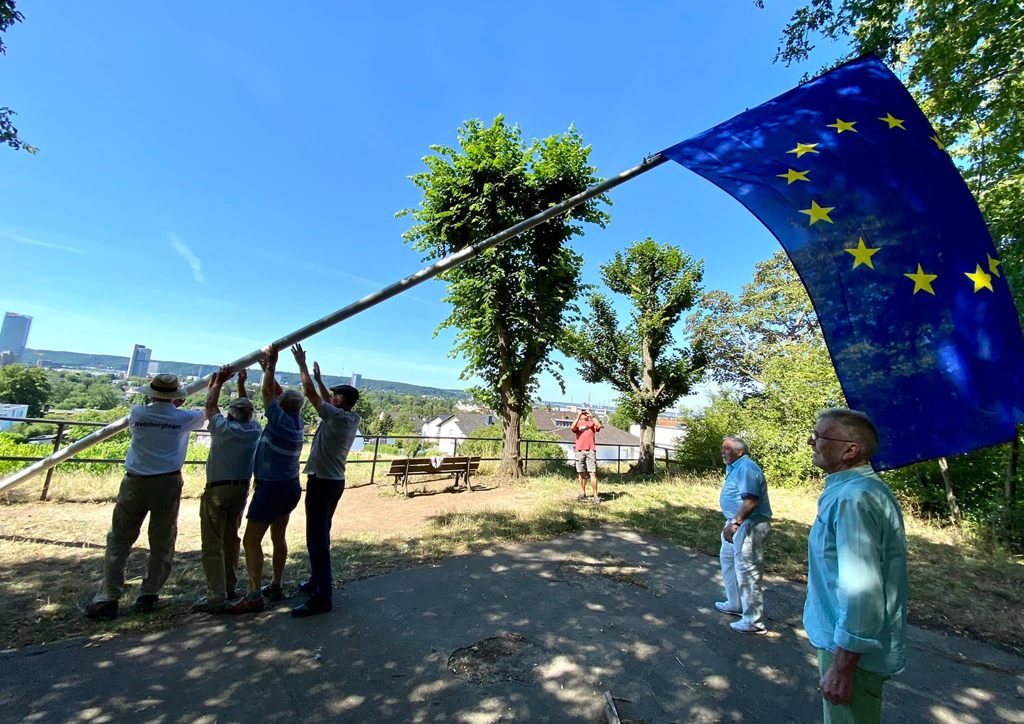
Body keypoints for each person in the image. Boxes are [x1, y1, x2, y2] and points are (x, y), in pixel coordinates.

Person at [805, 408, 908, 724]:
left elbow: (861, 592)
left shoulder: (855, 498)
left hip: (851, 654)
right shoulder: (855, 490)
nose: (811, 441)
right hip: (846, 643)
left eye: (819, 436)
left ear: (851, 450)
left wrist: (842, 668)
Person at [85, 374, 208, 620]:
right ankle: (149, 594)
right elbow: (207, 412)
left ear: (151, 393)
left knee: (119, 540)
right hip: (167, 483)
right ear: (176, 397)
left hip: (134, 481)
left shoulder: (139, 414)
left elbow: (156, 414)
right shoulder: (184, 418)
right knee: (162, 540)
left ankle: (107, 598)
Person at [226, 344, 305, 614]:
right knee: (278, 536)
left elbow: (268, 393)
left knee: (251, 541)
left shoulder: (279, 420)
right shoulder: (297, 421)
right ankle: (277, 584)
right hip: (291, 487)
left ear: (280, 408)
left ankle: (253, 594)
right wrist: (265, 369)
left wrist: (271, 365)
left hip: (270, 487)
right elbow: (281, 396)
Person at [289, 343, 361, 617]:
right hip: (334, 482)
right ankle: (317, 581)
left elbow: (308, 394)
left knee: (316, 539)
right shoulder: (347, 418)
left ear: (339, 401)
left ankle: (322, 597)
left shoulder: (336, 416)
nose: (329, 398)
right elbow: (321, 399)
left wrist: (302, 365)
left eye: (333, 396)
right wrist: (320, 381)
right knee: (322, 533)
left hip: (322, 483)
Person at [193, 365, 262, 614]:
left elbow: (211, 408)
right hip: (241, 489)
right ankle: (230, 585)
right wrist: (242, 387)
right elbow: (244, 411)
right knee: (231, 538)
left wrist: (219, 382)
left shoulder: (223, 429)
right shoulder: (254, 430)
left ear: (230, 414)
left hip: (217, 490)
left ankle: (215, 595)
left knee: (212, 541)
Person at [715, 437, 773, 634]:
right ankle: (735, 603)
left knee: (747, 571)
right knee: (728, 561)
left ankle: (753, 621)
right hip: (735, 522)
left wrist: (735, 523)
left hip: (748, 524)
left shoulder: (746, 468)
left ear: (739, 452)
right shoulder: (735, 467)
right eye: (722, 449)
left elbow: (751, 501)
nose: (722, 452)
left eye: (727, 449)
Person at [570, 409, 602, 503]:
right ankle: (582, 492)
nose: (584, 414)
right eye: (582, 413)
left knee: (593, 473)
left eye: (585, 413)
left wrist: (591, 416)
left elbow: (599, 426)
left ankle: (595, 495)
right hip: (579, 450)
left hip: (590, 450)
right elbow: (572, 427)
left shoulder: (591, 423)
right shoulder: (578, 423)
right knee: (581, 472)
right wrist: (578, 416)